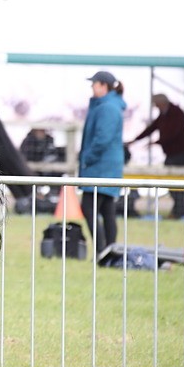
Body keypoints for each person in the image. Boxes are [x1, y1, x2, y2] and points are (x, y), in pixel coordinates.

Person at [79, 71, 126, 257]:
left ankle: (102, 250)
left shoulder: (107, 108)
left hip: (100, 167)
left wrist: (87, 158)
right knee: (107, 209)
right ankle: (110, 250)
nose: (92, 87)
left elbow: (102, 139)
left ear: (103, 86)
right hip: (106, 167)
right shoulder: (109, 105)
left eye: (94, 84)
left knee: (89, 208)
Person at [128, 94, 184, 218]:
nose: (156, 107)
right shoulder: (164, 114)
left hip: (180, 154)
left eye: (156, 105)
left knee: (176, 183)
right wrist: (135, 140)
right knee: (172, 182)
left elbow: (173, 133)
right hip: (172, 154)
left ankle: (179, 210)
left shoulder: (176, 113)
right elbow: (152, 128)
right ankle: (180, 209)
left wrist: (156, 142)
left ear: (161, 103)